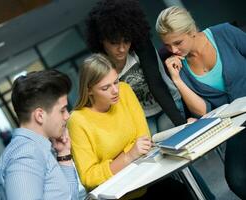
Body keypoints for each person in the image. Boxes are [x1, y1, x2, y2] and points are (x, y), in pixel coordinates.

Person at [68, 53, 194, 199]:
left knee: (182, 192)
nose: (115, 91)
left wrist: (117, 160)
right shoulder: (77, 121)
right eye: (105, 88)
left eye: (115, 82)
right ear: (89, 89)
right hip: (120, 194)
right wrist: (128, 156)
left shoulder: (125, 90)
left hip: (146, 178)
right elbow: (88, 178)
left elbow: (143, 140)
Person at [156, 6, 246, 199]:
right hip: (235, 128)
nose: (173, 50)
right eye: (167, 46)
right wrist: (178, 79)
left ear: (191, 31)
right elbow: (203, 110)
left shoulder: (224, 33)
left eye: (177, 42)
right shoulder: (181, 67)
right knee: (236, 178)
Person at [85, 0, 187, 135]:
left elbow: (156, 85)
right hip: (139, 116)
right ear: (101, 40)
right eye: (114, 43)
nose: (122, 49)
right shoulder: (101, 65)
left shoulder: (141, 45)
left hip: (169, 102)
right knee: (149, 148)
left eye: (126, 41)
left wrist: (183, 127)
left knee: (168, 134)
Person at [0, 70, 79, 200]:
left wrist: (64, 153)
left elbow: (68, 197)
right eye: (62, 110)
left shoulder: (37, 148)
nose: (67, 116)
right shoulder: (26, 156)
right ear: (40, 115)